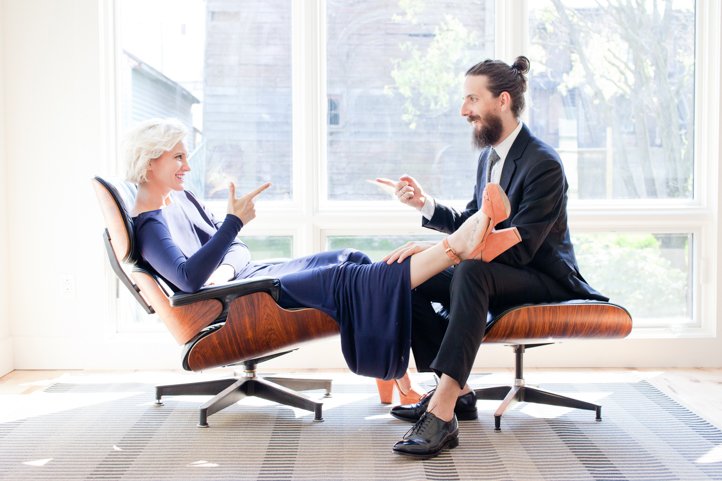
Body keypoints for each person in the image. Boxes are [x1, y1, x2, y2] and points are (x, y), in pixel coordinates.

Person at [123, 118, 519, 389]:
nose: (187, 166)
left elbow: (229, 251)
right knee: (345, 280)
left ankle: (397, 378)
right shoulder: (150, 224)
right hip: (239, 299)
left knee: (349, 258)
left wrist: (228, 248)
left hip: (247, 274)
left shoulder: (179, 201)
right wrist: (233, 223)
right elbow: (191, 279)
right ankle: (454, 248)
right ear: (150, 159)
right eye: (177, 157)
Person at [376, 56, 608, 459]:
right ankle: (460, 391)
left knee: (470, 272)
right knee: (407, 274)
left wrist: (441, 254)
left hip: (542, 276)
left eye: (472, 99)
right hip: (493, 271)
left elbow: (521, 248)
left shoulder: (544, 163)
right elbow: (472, 222)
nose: (463, 110)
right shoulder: (490, 157)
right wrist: (424, 204)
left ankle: (443, 409)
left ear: (502, 100)